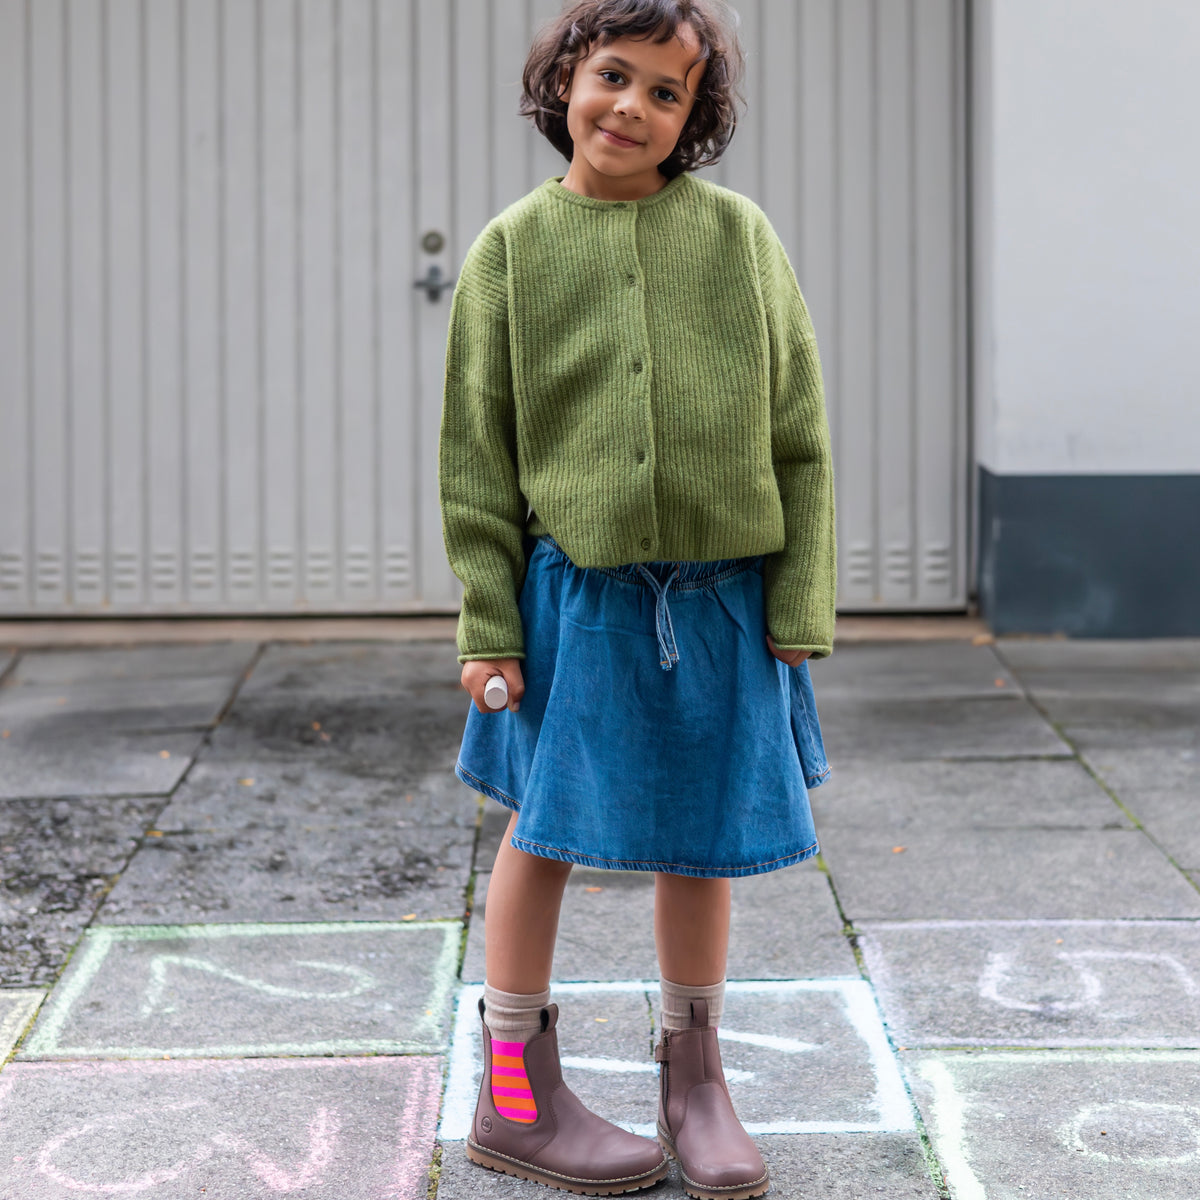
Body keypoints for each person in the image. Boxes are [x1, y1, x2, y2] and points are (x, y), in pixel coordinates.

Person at [438, 1, 835, 1195]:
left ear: (693, 121)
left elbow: (800, 436)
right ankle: (516, 1097)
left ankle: (695, 1081)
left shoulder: (739, 239)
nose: (634, 107)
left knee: (702, 840)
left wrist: (799, 602)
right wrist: (488, 623)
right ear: (566, 77)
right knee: (542, 833)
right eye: (616, 75)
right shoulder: (511, 252)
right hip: (580, 604)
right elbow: (477, 459)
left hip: (721, 604)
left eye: (668, 93)